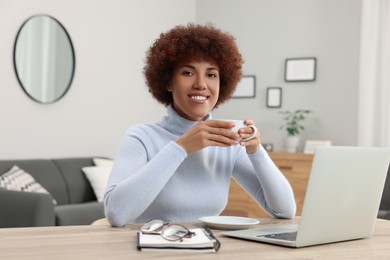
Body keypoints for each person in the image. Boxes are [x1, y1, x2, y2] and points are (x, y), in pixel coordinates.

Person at [104, 23, 296, 227]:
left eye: (211, 75)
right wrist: (182, 147)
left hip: (209, 248)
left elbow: (285, 211)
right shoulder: (141, 136)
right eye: (188, 73)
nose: (201, 84)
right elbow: (117, 214)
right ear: (168, 82)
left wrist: (256, 151)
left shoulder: (227, 140)